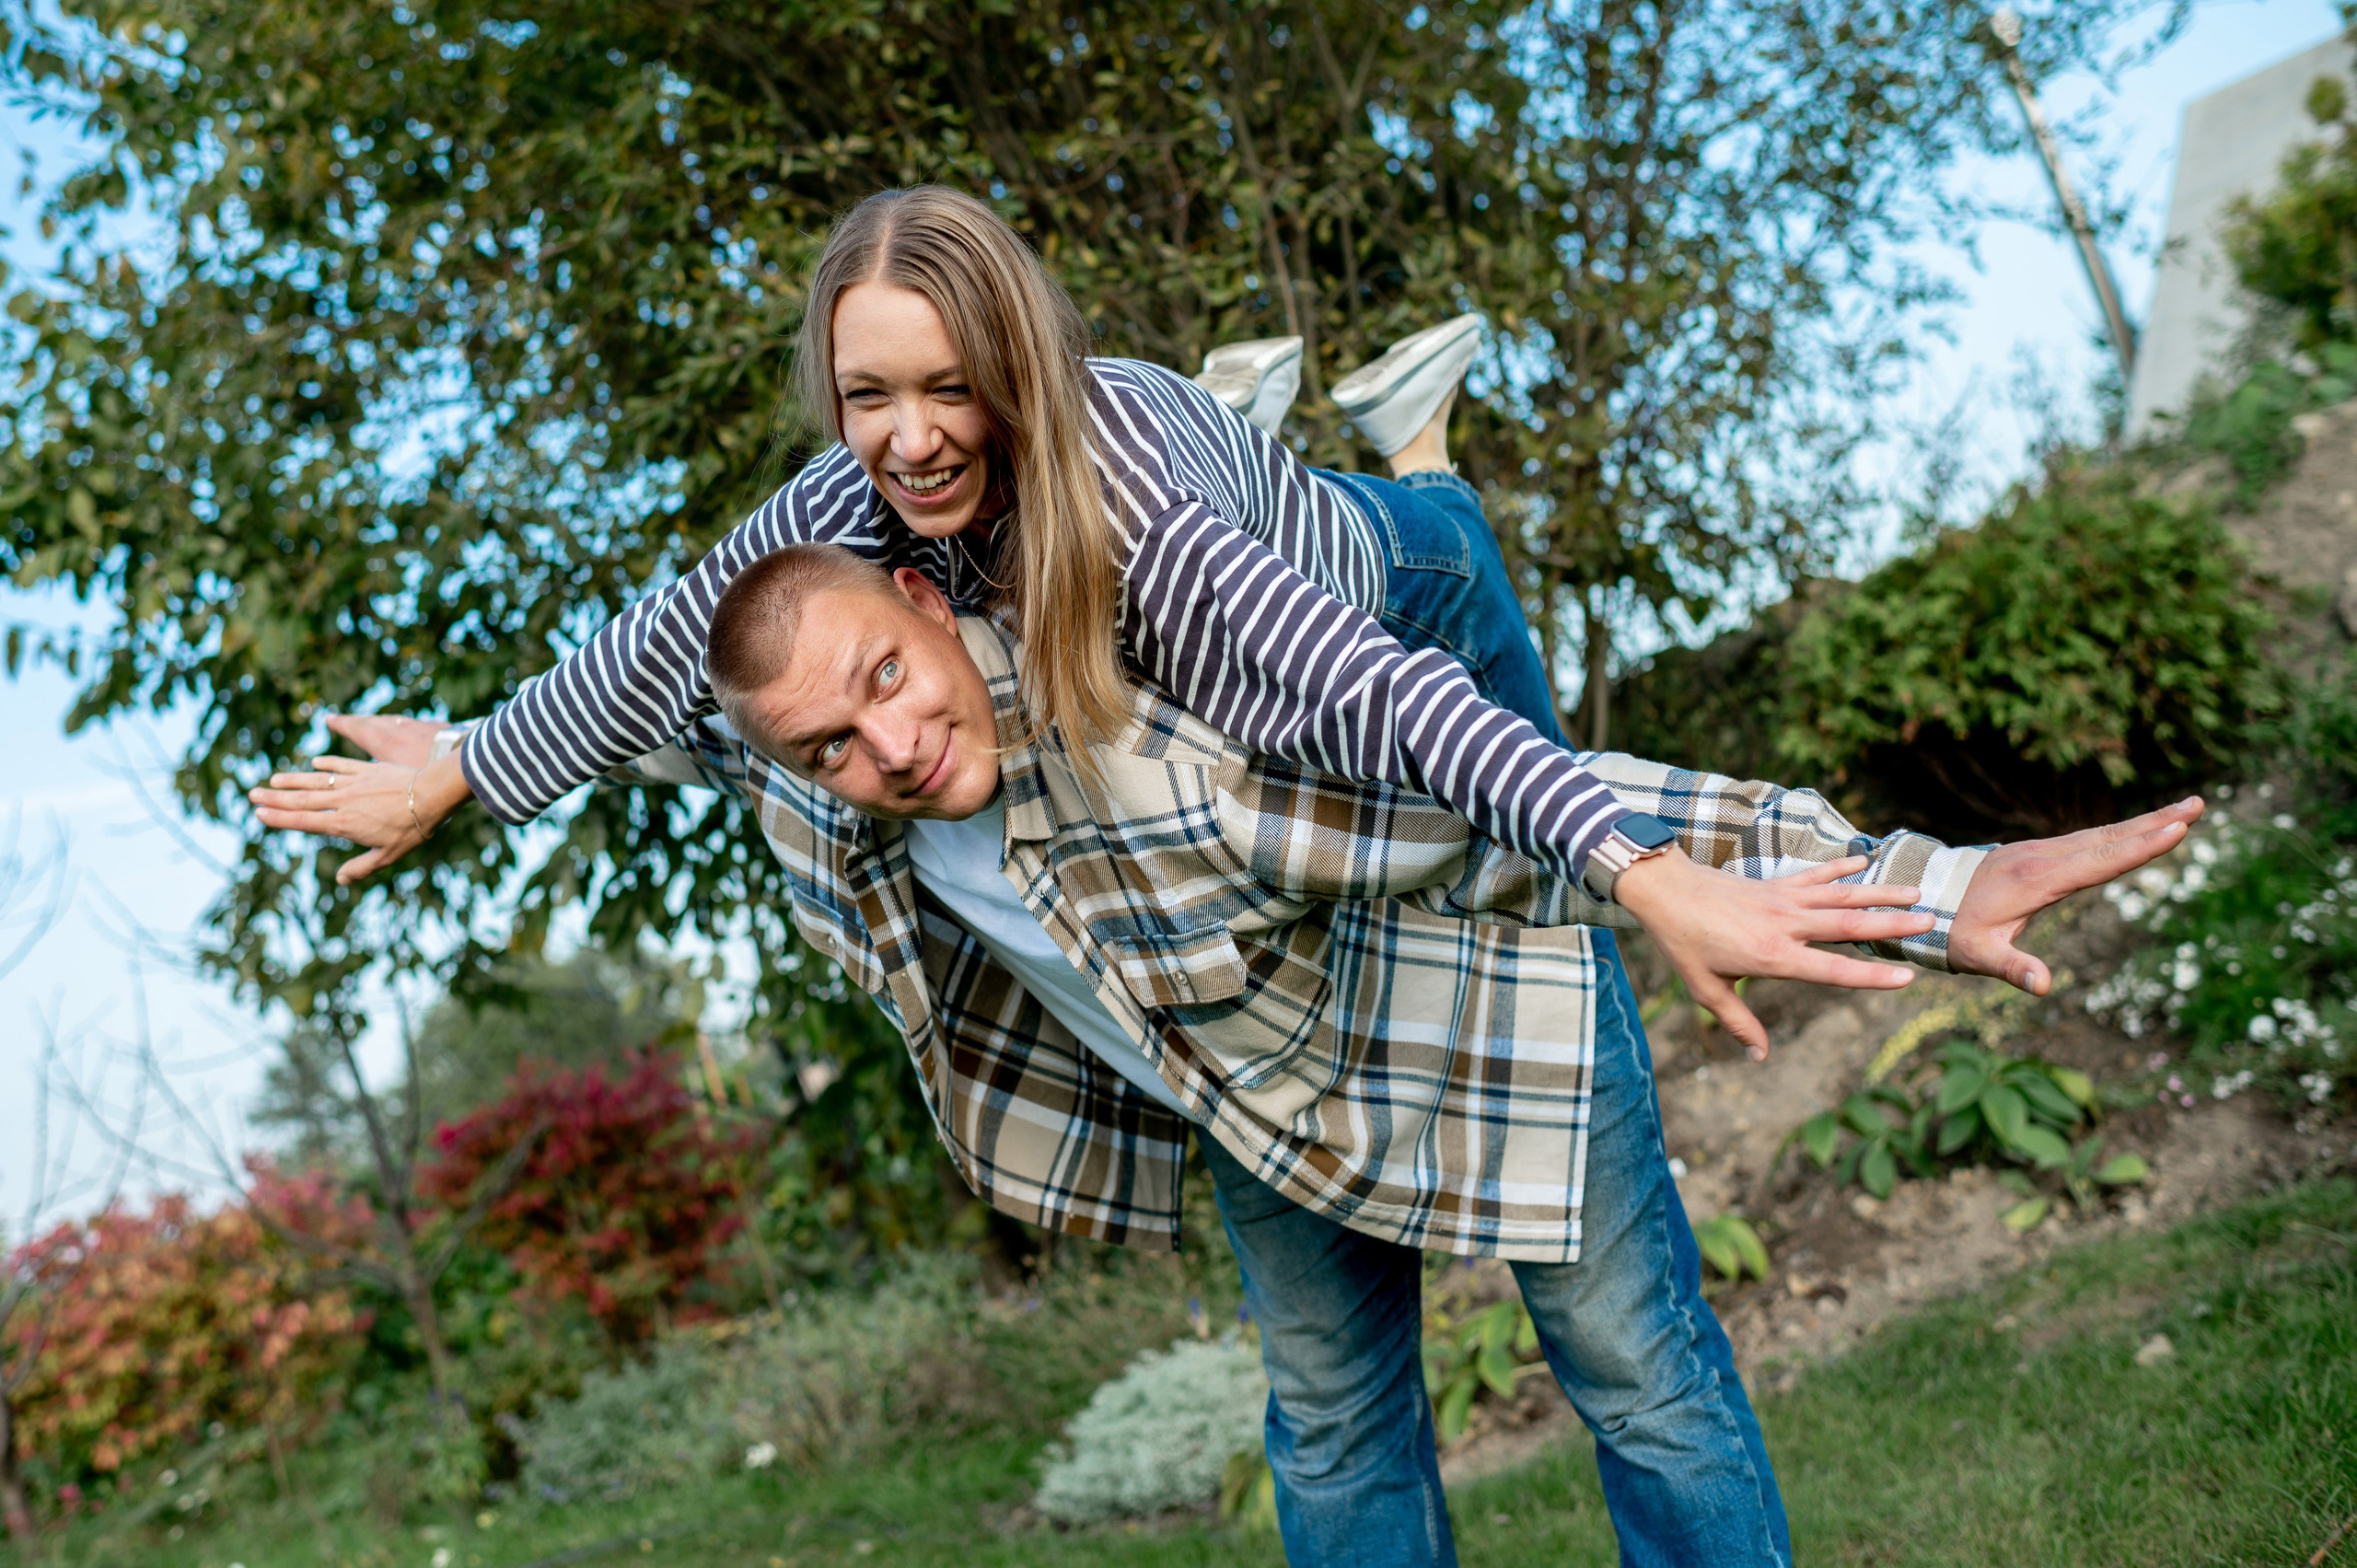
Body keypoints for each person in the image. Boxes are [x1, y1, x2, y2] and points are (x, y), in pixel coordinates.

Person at [250, 544, 2202, 1567]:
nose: (887, 748)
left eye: (891, 683)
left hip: (1451, 982)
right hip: (1260, 1094)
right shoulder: (805, 762)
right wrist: (463, 764)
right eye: (826, 742)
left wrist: (1928, 880)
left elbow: (1516, 802)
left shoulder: (1153, 753)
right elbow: (662, 716)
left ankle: (1384, 476)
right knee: (1334, 1428)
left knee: (1628, 1357)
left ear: (932, 602)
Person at [293, 182, 1966, 1057]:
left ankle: (1415, 437)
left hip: (1376, 572)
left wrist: (1645, 870)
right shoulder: (842, 505)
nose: (909, 439)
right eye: (869, 397)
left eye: (950, 387)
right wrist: (460, 770)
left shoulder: (1139, 520)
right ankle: (1250, 409)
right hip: (1184, 557)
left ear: (1017, 362)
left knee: (1449, 645)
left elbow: (1378, 695)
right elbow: (665, 650)